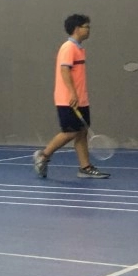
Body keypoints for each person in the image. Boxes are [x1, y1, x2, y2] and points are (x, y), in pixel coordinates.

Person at [33, 15, 109, 179]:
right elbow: (64, 71)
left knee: (81, 132)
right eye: (86, 26)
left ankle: (85, 167)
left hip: (81, 99)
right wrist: (72, 93)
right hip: (68, 99)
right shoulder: (68, 47)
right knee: (70, 132)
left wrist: (79, 95)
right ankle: (43, 156)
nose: (89, 30)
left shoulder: (79, 48)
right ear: (76, 29)